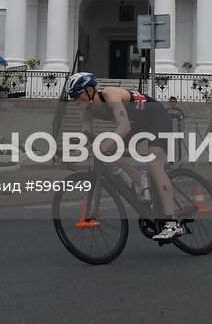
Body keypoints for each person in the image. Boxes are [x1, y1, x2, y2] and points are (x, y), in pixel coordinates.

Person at [66, 73, 184, 242]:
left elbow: (124, 126)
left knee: (153, 163)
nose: (75, 101)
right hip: (137, 125)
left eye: (77, 95)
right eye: (72, 97)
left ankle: (173, 223)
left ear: (91, 90)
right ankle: (140, 181)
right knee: (106, 151)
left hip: (156, 118)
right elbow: (90, 142)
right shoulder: (86, 112)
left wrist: (102, 146)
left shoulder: (110, 95)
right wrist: (72, 157)